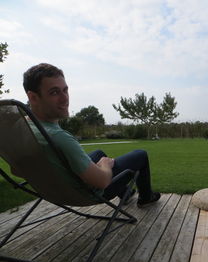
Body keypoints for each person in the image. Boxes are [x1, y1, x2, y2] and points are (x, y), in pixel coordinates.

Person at [23, 63, 160, 208]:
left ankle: (126, 192)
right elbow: (102, 181)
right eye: (54, 92)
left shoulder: (23, 128)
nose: (65, 99)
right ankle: (146, 197)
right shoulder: (59, 137)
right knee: (140, 155)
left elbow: (17, 170)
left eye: (65, 90)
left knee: (98, 153)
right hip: (85, 194)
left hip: (56, 187)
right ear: (33, 97)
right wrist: (105, 165)